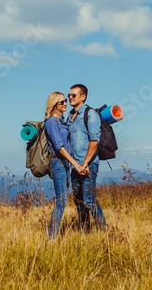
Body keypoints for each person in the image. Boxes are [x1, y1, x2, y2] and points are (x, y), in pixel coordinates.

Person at [44, 92, 86, 240]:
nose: (65, 104)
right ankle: (51, 238)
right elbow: (59, 146)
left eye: (65, 101)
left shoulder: (61, 121)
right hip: (58, 162)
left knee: (63, 199)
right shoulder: (51, 122)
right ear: (54, 104)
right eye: (62, 102)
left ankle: (52, 236)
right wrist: (76, 164)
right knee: (61, 200)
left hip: (64, 163)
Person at [67, 84, 106, 232]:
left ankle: (103, 232)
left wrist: (85, 163)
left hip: (88, 165)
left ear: (82, 97)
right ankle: (85, 232)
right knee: (79, 202)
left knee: (89, 200)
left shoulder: (90, 114)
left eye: (74, 95)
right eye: (69, 95)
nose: (70, 97)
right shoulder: (69, 117)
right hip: (75, 166)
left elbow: (94, 141)